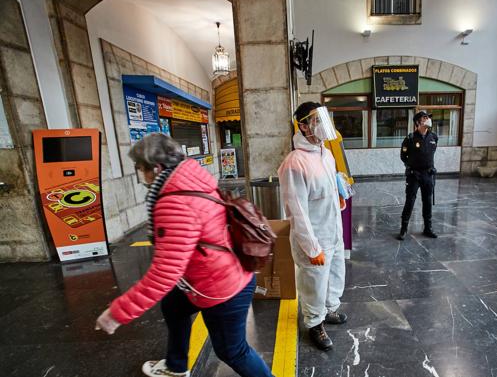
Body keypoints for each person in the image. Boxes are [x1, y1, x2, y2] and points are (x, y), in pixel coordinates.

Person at [94, 133, 273, 377]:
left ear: (156, 168)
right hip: (222, 272)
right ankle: (176, 367)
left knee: (233, 351)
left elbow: (164, 274)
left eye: (141, 169)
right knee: (173, 305)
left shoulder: (174, 202)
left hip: (221, 289)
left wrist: (117, 313)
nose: (141, 176)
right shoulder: (192, 180)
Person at [278, 102, 347, 351]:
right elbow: (297, 211)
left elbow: (326, 185)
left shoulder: (325, 153)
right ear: (303, 125)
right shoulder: (294, 163)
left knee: (335, 274)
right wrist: (311, 247)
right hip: (315, 237)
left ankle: (329, 309)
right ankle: (314, 323)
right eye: (315, 120)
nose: (321, 125)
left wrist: (337, 194)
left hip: (333, 230)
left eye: (322, 119)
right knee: (314, 283)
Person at [397, 110, 438, 240]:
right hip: (414, 175)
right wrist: (411, 166)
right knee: (410, 201)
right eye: (425, 118)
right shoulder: (410, 138)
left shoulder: (434, 137)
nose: (428, 120)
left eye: (428, 117)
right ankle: (403, 229)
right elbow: (403, 156)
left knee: (427, 201)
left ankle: (428, 228)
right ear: (417, 122)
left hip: (428, 174)